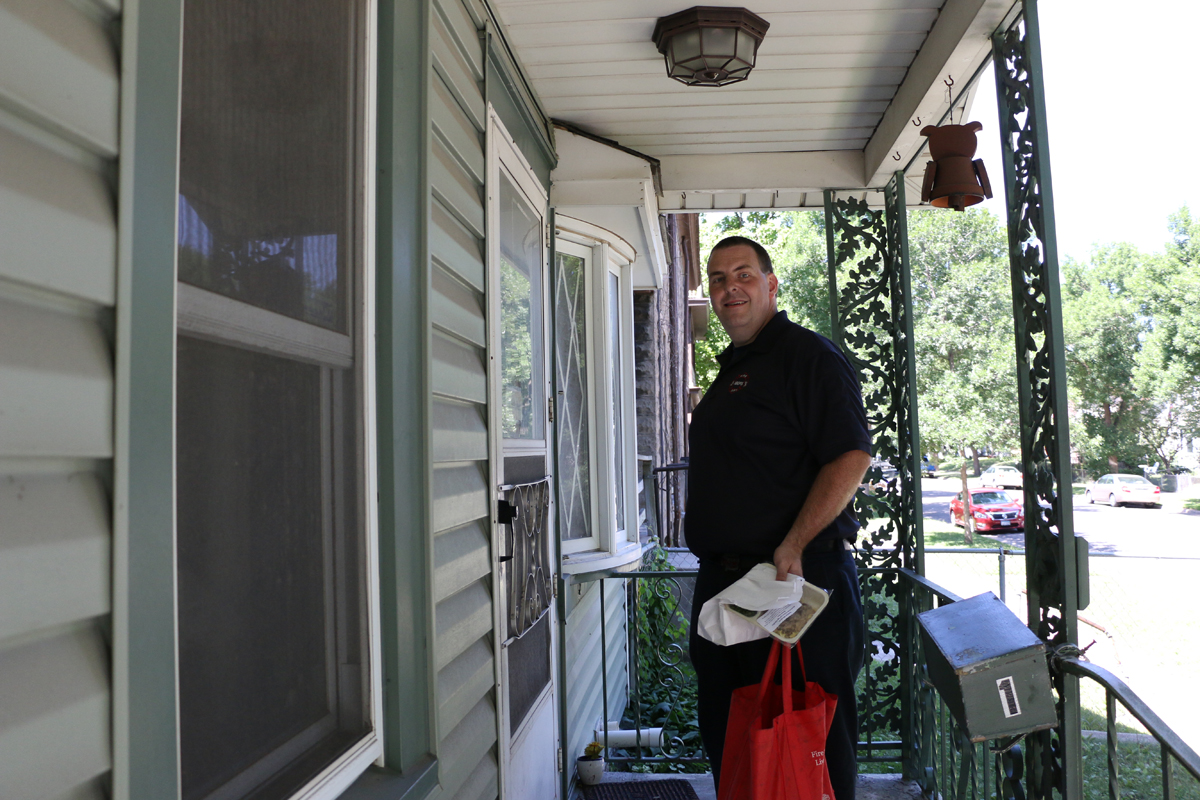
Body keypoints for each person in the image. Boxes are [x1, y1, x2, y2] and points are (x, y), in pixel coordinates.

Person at [686, 236, 872, 799]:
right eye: (717, 278)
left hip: (793, 584)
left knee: (805, 743)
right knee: (736, 741)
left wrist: (793, 542)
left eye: (743, 274)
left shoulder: (805, 356)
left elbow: (851, 455)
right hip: (729, 589)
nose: (729, 288)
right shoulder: (735, 367)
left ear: (771, 285)